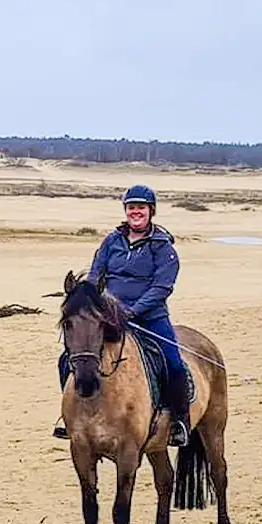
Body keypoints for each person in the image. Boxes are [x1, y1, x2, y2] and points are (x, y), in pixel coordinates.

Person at [83, 185, 191, 447]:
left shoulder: (162, 246)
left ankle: (179, 421)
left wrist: (133, 311)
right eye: (131, 207)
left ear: (150, 211)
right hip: (110, 316)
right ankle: (74, 415)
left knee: (174, 363)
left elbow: (162, 287)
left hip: (150, 317)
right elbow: (96, 273)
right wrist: (94, 302)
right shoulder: (112, 241)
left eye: (141, 207)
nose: (136, 212)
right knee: (73, 357)